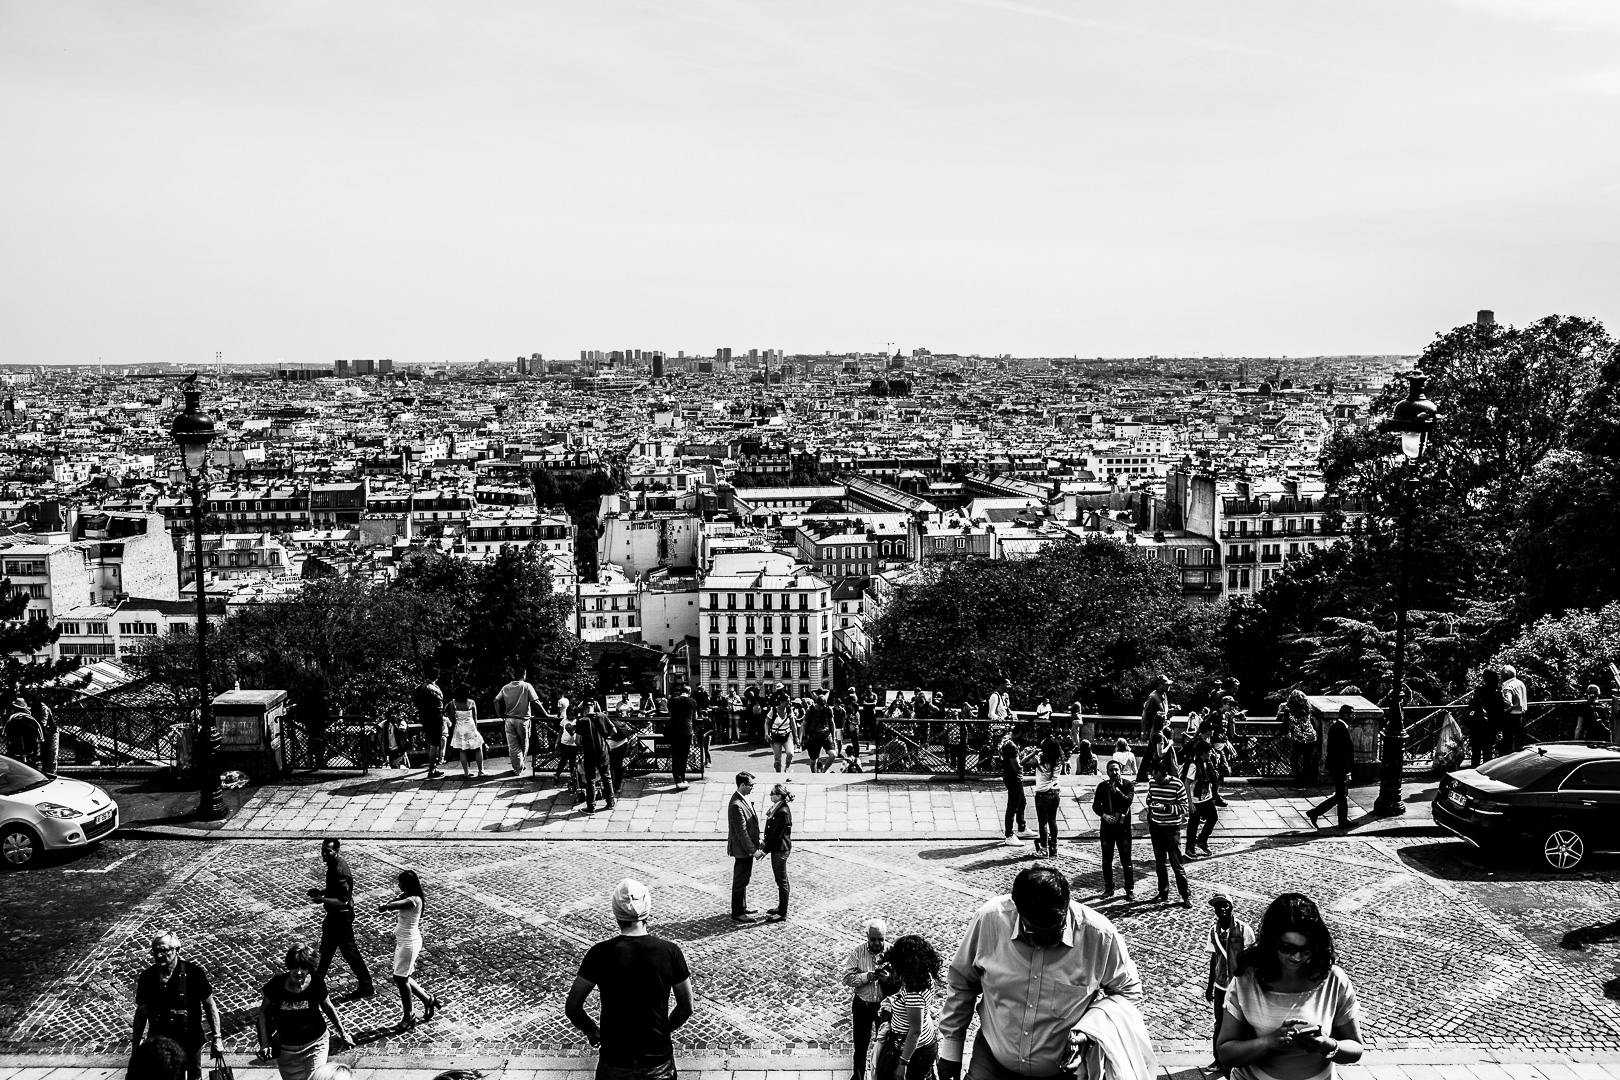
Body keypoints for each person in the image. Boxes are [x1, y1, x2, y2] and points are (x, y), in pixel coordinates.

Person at [937, 866, 1142, 1080]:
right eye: (1034, 931)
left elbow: (1128, 994)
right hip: (992, 1063)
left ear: (1067, 907)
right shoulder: (989, 919)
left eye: (1055, 931)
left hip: (1064, 1072)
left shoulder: (1100, 935)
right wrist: (951, 1050)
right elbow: (962, 983)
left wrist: (1089, 1032)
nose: (1045, 941)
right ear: (1018, 910)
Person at [1216, 893, 1364, 1080]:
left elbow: (1356, 1048)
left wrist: (1328, 1045)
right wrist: (1268, 1042)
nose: (1297, 957)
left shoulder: (1334, 980)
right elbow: (1225, 1054)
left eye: (1306, 949)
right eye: (1287, 948)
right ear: (1271, 943)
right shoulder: (1246, 981)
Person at [567, 878, 694, 1080]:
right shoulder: (670, 952)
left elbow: (573, 1006)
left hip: (615, 1060)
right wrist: (664, 1030)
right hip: (658, 1062)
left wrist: (592, 1030)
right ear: (647, 909)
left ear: (615, 912)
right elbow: (686, 1007)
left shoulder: (599, 953)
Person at [131, 932, 224, 1080]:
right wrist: (136, 1043)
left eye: (164, 950)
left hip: (190, 1040)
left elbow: (210, 1005)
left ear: (176, 950)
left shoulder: (194, 973)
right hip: (161, 1044)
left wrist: (217, 1038)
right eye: (155, 951)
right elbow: (141, 1012)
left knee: (195, 1077)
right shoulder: (147, 977)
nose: (159, 955)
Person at [257, 944, 351, 1080]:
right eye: (295, 967)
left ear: (309, 969)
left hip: (315, 1045)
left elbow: (328, 1008)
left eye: (304, 968)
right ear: (289, 966)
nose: (298, 972)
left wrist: (342, 1032)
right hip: (287, 1051)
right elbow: (263, 1012)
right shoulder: (276, 985)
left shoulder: (316, 982)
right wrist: (265, 1042)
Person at [307, 837, 375, 997]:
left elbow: (342, 900)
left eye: (327, 851)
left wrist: (321, 899)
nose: (323, 853)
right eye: (322, 850)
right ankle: (316, 987)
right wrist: (322, 892)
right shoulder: (333, 865)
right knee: (329, 952)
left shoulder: (339, 870)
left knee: (337, 952)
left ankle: (366, 986)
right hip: (336, 917)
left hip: (340, 918)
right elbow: (335, 891)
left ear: (336, 851)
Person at [376, 869, 439, 1030]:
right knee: (402, 976)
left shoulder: (414, 899)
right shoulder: (408, 896)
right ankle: (427, 1000)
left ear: (407, 883)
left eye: (400, 882)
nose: (398, 885)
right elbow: (399, 900)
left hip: (409, 944)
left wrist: (386, 906)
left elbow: (400, 904)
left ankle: (409, 1016)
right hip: (403, 942)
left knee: (400, 977)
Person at [1204, 893, 1257, 1075]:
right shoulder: (1214, 931)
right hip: (1220, 985)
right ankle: (1218, 1059)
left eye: (1225, 905)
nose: (1222, 909)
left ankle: (1243, 1058)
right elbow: (1214, 958)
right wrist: (1210, 986)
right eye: (1218, 907)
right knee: (1219, 1024)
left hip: (1240, 985)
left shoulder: (1244, 930)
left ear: (1232, 907)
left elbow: (1252, 960)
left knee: (1245, 1022)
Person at [877, 935, 943, 1080]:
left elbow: (915, 1032)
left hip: (914, 1054)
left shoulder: (914, 993)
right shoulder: (924, 976)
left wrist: (903, 1064)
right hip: (919, 1046)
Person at [844, 918, 890, 1080]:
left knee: (884, 1046)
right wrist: (866, 977)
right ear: (867, 936)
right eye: (873, 939)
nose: (877, 943)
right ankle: (858, 1077)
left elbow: (901, 981)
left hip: (884, 1008)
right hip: (862, 1005)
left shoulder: (892, 953)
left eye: (881, 939)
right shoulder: (858, 952)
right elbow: (847, 978)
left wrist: (889, 978)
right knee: (861, 1046)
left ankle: (881, 1076)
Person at [1147, 756, 1191, 907]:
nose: (1155, 780)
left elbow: (1184, 807)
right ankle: (1162, 892)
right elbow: (1150, 797)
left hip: (1172, 830)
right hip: (1156, 827)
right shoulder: (1152, 782)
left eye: (1157, 778)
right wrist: (1151, 804)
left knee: (1176, 864)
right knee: (1160, 864)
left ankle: (1185, 896)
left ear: (1163, 774)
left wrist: (1165, 808)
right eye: (1153, 777)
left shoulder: (1177, 784)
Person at [1307, 706, 1355, 831]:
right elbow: (1343, 753)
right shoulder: (1341, 729)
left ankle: (1341, 820)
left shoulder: (1335, 727)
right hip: (1339, 768)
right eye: (1352, 714)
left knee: (1341, 795)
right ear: (1345, 715)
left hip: (1335, 767)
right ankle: (1316, 812)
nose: (1353, 717)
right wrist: (1347, 771)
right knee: (1341, 795)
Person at [1093, 759, 1135, 900]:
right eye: (1111, 770)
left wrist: (1117, 790)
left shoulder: (1128, 785)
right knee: (1106, 860)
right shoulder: (1102, 786)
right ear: (1107, 771)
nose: (1114, 772)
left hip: (1123, 829)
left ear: (1120, 770)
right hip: (1107, 828)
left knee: (1126, 861)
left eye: (1116, 769)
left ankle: (1129, 889)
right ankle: (1109, 887)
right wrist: (1104, 816)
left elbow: (1127, 801)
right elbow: (1096, 806)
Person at [727, 772, 766, 922]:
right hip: (742, 849)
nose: (752, 788)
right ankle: (737, 912)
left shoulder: (744, 799)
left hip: (747, 848)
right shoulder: (737, 805)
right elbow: (742, 833)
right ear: (742, 785)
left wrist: (758, 840)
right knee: (740, 880)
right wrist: (754, 851)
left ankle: (742, 906)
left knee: (744, 878)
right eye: (750, 785)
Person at [493, 668, 542, 777]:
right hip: (523, 720)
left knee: (513, 746)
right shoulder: (526, 686)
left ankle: (517, 768)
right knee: (524, 744)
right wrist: (546, 714)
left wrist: (500, 714)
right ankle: (520, 766)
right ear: (524, 674)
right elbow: (536, 702)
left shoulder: (506, 687)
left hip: (509, 719)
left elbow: (496, 701)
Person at [762, 781, 794, 921]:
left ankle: (782, 912)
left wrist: (765, 850)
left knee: (782, 881)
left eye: (772, 794)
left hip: (780, 849)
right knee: (780, 880)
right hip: (778, 848)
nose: (770, 795)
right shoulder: (778, 808)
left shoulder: (782, 811)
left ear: (779, 796)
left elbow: (776, 834)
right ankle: (781, 907)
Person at [1184, 737, 1220, 859]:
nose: (1210, 754)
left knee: (1213, 817)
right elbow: (1187, 783)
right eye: (1208, 752)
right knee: (1193, 824)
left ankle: (1202, 839)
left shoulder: (1208, 763)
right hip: (1196, 800)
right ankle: (1189, 848)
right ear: (1202, 753)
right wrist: (1189, 802)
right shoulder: (1194, 766)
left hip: (1207, 798)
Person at [577, 701, 616, 813]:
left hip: (589, 752)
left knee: (591, 780)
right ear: (593, 707)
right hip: (603, 750)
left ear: (584, 710)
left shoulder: (582, 721)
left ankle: (591, 807)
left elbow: (577, 741)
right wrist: (604, 737)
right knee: (606, 776)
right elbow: (614, 731)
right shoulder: (603, 716)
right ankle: (610, 803)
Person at [998, 728, 1033, 847]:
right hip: (1014, 778)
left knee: (1022, 802)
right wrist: (1027, 757)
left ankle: (1022, 827)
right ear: (1019, 733)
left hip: (1009, 775)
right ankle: (1009, 835)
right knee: (1013, 806)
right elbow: (1017, 767)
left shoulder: (1004, 740)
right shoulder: (1012, 746)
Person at [410, 667, 447, 780]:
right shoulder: (435, 689)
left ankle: (432, 767)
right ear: (437, 676)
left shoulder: (420, 688)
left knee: (430, 743)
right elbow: (440, 707)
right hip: (435, 719)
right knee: (435, 745)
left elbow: (415, 702)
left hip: (425, 719)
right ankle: (432, 769)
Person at [1465, 667, 1504, 768]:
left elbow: (1473, 705)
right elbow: (1500, 709)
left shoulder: (1480, 690)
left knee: (1476, 750)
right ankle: (1486, 770)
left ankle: (1474, 769)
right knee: (1488, 749)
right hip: (1491, 724)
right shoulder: (1498, 692)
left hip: (1477, 724)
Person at [1032, 735, 1062, 858]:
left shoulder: (1041, 760)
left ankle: (1044, 850)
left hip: (1042, 793)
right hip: (1055, 791)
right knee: (1053, 821)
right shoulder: (1059, 760)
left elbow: (1022, 763)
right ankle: (1054, 848)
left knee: (1043, 823)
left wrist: (1033, 753)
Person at [447, 685, 485, 779]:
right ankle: (480, 770)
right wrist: (475, 729)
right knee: (478, 747)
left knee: (462, 750)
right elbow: (475, 718)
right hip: (470, 726)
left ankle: (466, 772)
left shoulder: (453, 703)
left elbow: (453, 719)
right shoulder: (471, 702)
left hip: (459, 727)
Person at [1139, 676, 1172, 780]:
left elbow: (1163, 712)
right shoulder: (1153, 697)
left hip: (1163, 728)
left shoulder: (1164, 695)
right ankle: (1143, 774)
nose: (1169, 685)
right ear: (1160, 685)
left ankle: (1150, 773)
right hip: (1155, 730)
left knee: (1153, 752)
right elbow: (1144, 714)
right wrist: (1143, 731)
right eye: (1167, 684)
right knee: (1152, 752)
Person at [1283, 690, 1318, 788]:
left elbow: (1285, 723)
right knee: (1307, 761)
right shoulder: (1307, 709)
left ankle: (1298, 782)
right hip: (1311, 737)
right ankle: (1305, 782)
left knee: (1294, 759)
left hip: (1299, 738)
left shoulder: (1289, 710)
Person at [667, 685, 696, 791]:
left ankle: (677, 780)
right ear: (689, 691)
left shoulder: (673, 701)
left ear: (680, 692)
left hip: (674, 730)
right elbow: (694, 718)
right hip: (687, 730)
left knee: (675, 756)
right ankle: (683, 778)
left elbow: (670, 714)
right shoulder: (692, 702)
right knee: (684, 756)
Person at [802, 689, 837, 773]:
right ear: (816, 703)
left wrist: (834, 738)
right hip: (814, 737)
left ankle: (823, 772)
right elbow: (804, 724)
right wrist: (804, 737)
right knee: (813, 760)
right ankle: (814, 776)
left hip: (825, 735)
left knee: (833, 755)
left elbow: (832, 724)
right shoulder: (810, 710)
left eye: (823, 705)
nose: (821, 707)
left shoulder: (827, 709)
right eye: (820, 705)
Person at [5, 696, 42, 768]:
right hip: (28, 743)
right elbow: (35, 729)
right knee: (30, 756)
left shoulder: (12, 718)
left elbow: (8, 731)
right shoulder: (29, 717)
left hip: (17, 743)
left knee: (16, 755)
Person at [1498, 665, 1528, 754]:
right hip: (1521, 716)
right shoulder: (1521, 683)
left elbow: (1508, 704)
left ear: (1506, 675)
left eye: (1501, 674)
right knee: (1519, 744)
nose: (1500, 676)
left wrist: (1502, 712)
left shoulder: (1508, 687)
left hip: (1510, 718)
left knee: (1508, 743)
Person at [767, 693, 797, 773]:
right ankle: (778, 775)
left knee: (790, 753)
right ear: (781, 702)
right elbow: (767, 722)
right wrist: (766, 733)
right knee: (777, 759)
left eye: (789, 701)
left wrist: (796, 737)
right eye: (787, 701)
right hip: (776, 737)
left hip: (787, 735)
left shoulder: (789, 710)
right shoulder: (773, 711)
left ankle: (786, 768)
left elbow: (793, 724)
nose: (789, 703)